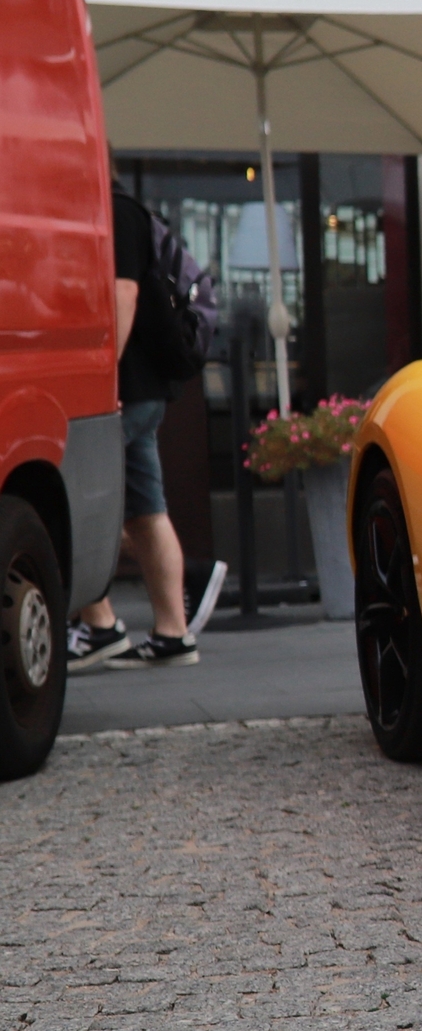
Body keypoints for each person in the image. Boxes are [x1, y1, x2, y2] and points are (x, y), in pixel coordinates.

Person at [66, 187, 198, 670]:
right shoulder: (122, 210)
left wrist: (104, 374)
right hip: (142, 388)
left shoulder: (114, 210)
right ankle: (172, 634)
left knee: (73, 495)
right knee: (146, 510)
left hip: (125, 389)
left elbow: (124, 291)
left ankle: (99, 625)